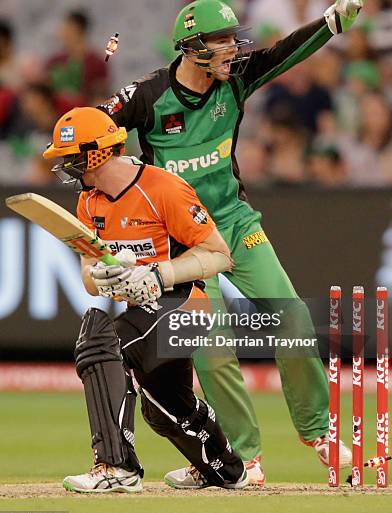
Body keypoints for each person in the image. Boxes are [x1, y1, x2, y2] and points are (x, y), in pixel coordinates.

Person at [99, 0, 384, 487]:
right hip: (181, 238)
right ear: (191, 46)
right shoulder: (147, 96)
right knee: (213, 351)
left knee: (292, 319)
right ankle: (243, 459)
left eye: (235, 38)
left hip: (233, 219)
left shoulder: (237, 79)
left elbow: (286, 51)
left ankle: (317, 432)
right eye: (220, 40)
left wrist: (338, 15)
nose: (233, 49)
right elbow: (97, 133)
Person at [43, 106, 248, 493]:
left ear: (95, 154)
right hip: (145, 312)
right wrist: (104, 279)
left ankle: (116, 466)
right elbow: (89, 276)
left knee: (100, 339)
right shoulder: (89, 203)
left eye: (70, 158)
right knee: (164, 407)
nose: (66, 168)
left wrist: (158, 274)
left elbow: (219, 254)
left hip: (186, 306)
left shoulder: (162, 188)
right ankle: (225, 468)